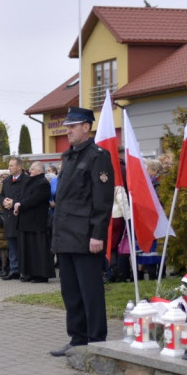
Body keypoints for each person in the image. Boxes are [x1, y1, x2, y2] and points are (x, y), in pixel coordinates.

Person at [50, 107, 115, 357]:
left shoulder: (98, 156)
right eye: (67, 126)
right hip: (65, 235)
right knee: (71, 292)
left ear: (86, 127)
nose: (68, 130)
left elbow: (102, 200)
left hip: (86, 237)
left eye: (72, 126)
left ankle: (97, 340)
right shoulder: (69, 157)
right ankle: (77, 338)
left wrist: (98, 234)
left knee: (91, 291)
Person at [15, 161, 56, 283]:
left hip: (37, 222)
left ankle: (41, 275)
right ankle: (29, 273)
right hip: (26, 221)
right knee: (27, 249)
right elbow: (21, 196)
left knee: (38, 250)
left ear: (39, 171)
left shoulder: (43, 183)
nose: (30, 171)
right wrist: (17, 205)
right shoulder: (28, 182)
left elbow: (34, 199)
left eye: (32, 169)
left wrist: (20, 205)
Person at [0, 157, 26, 280]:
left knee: (22, 246)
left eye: (11, 165)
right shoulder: (7, 180)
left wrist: (14, 202)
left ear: (19, 167)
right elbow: (1, 196)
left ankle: (23, 270)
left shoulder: (26, 180)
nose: (9, 168)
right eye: (9, 165)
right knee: (11, 245)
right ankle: (14, 269)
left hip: (20, 217)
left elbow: (27, 197)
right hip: (9, 217)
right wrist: (4, 201)